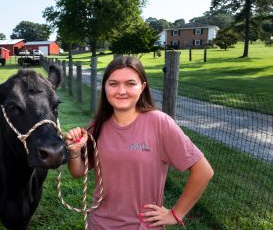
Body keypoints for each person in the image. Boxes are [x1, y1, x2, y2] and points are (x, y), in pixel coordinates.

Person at [65, 56, 214, 229]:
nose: (121, 91)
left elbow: (204, 171)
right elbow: (78, 172)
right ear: (104, 87)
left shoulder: (159, 123)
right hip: (99, 224)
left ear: (142, 87)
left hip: (142, 226)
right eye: (113, 84)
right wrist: (74, 151)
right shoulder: (97, 125)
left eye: (130, 83)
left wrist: (175, 213)